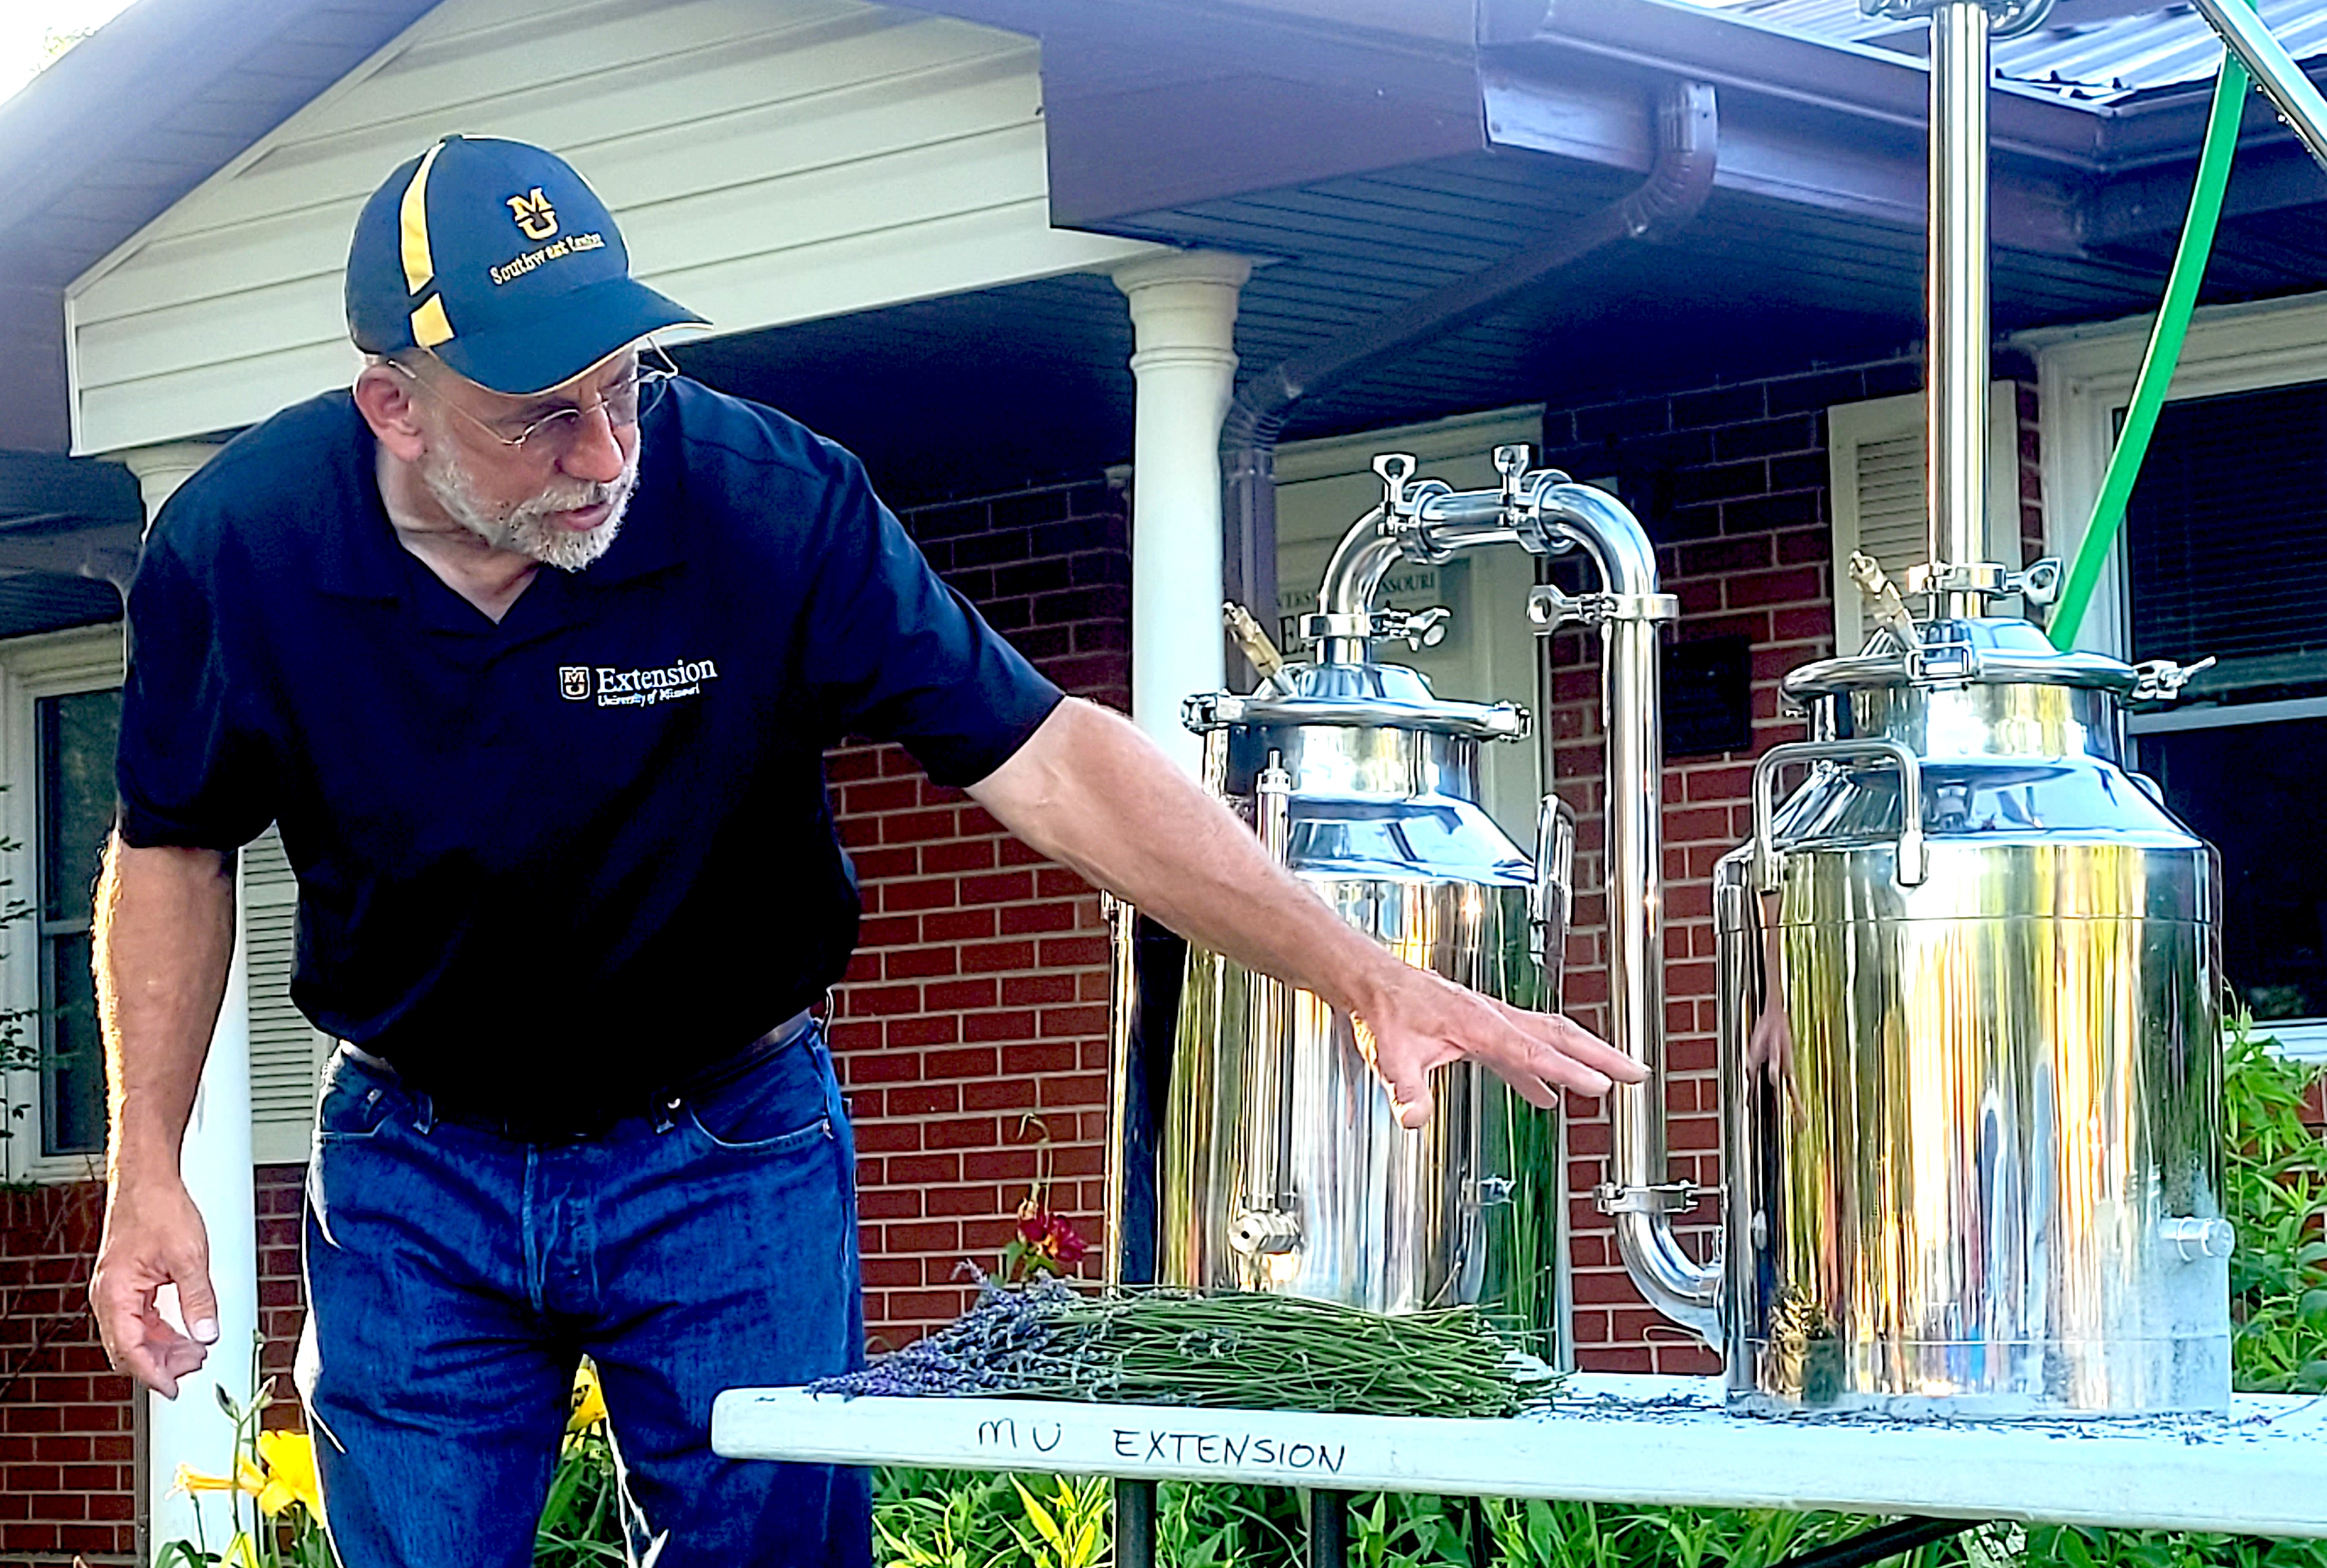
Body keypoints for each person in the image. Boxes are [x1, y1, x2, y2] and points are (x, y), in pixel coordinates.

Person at [88, 134, 1642, 1568]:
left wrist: (1359, 971)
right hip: (417, 1162)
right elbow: (173, 850)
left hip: (723, 1147)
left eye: (627, 384)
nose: (601, 451)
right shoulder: (242, 547)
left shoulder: (767, 500)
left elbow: (1047, 757)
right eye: (538, 416)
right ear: (394, 405)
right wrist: (146, 1166)